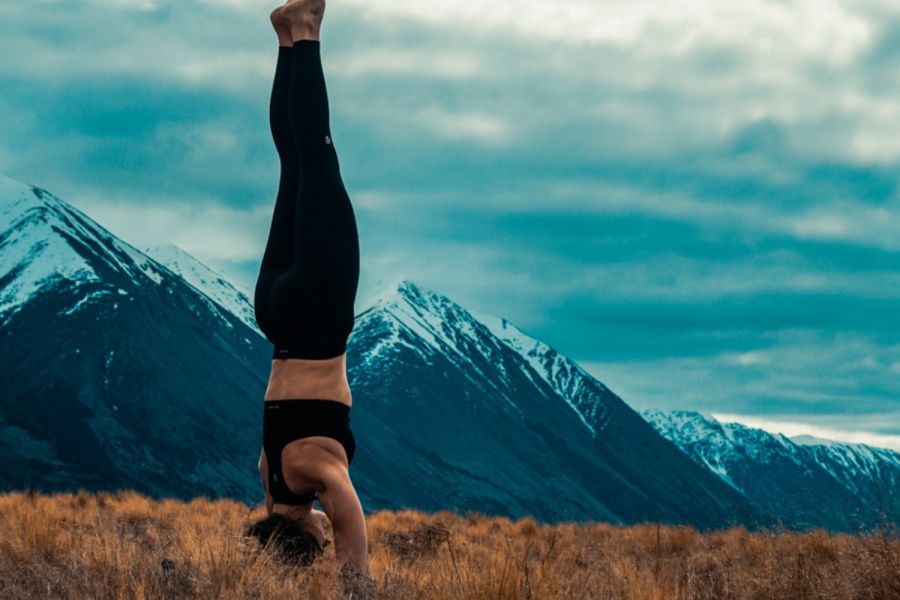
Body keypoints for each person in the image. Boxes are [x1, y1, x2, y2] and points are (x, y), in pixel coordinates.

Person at [247, 0, 367, 578]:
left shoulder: (312, 473)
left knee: (317, 155)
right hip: (273, 313)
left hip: (319, 313)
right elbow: (275, 514)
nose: (324, 524)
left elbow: (346, 511)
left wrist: (355, 578)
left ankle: (309, 30)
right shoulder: (270, 473)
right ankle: (286, 39)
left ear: (305, 530)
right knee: (292, 164)